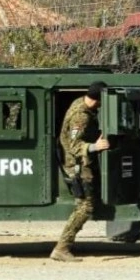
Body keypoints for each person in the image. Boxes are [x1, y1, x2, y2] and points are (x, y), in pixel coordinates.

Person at [50, 81, 111, 262]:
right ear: (98, 100)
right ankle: (62, 247)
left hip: (81, 162)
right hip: (78, 164)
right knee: (85, 207)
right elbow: (74, 146)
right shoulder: (81, 116)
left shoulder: (80, 103)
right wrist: (95, 146)